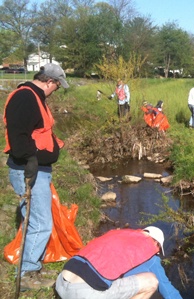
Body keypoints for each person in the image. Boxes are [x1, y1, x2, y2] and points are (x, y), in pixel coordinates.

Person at [3, 63, 69, 290]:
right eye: (57, 86)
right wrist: (30, 161)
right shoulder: (26, 98)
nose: (56, 90)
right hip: (29, 170)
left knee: (34, 219)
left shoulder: (35, 97)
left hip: (37, 169)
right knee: (40, 222)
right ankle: (27, 273)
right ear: (50, 81)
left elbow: (37, 131)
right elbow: (18, 135)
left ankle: (31, 264)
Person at [55, 226, 182, 299]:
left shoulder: (118, 234)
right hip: (83, 294)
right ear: (156, 243)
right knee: (152, 281)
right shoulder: (149, 253)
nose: (156, 252)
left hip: (61, 283)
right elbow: (168, 291)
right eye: (158, 249)